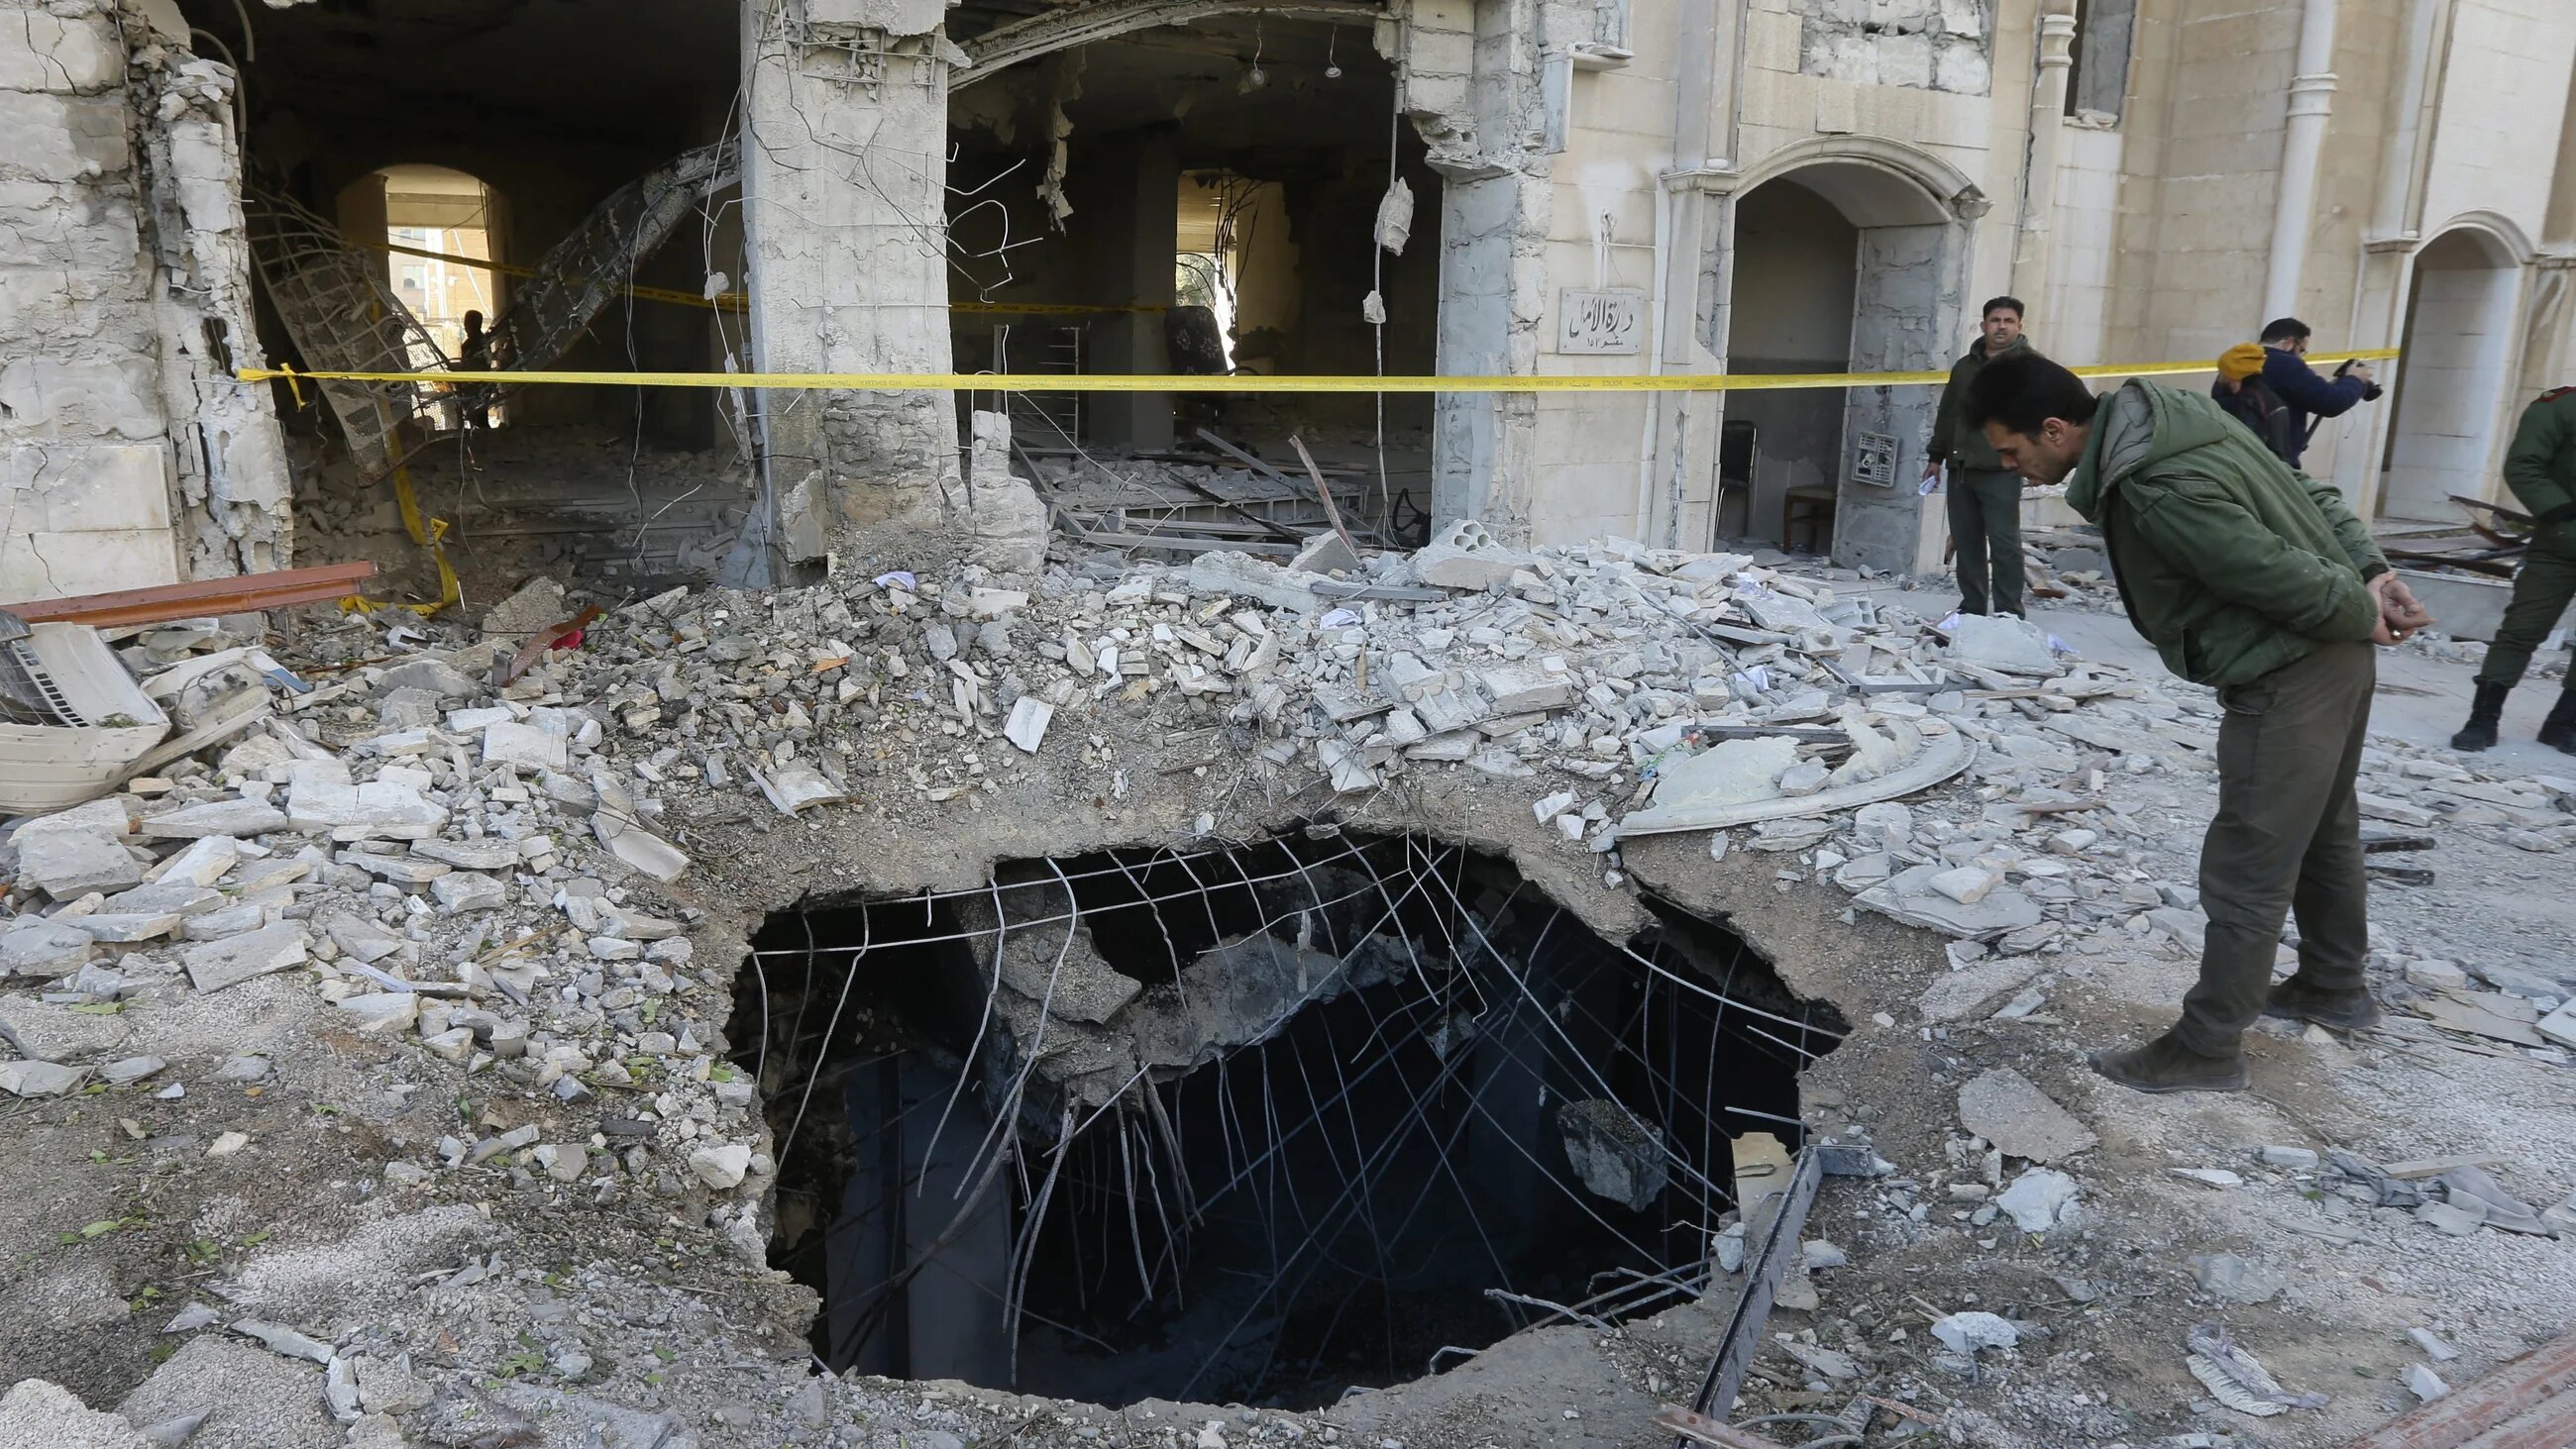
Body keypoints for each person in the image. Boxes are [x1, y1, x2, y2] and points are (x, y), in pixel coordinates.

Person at [1963, 355, 2432, 1095]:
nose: (2012, 468)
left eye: (2013, 451)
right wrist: (2372, 572)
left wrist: (2359, 607)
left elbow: (2265, 567)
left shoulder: (2153, 483)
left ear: (2054, 430)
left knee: (2249, 861)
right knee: (2323, 827)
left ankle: (2208, 1047)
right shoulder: (2177, 420)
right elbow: (2306, 491)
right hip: (2332, 658)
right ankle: (2332, 984)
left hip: (2289, 667)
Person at [2450, 385, 2576, 753]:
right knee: (2521, 630)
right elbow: (2524, 465)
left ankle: (2563, 724)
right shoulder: (2560, 406)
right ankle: (2483, 719)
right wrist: (2564, 516)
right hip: (2560, 542)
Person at [1925, 297, 2036, 618]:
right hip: (1961, 467)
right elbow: (1948, 413)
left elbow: (2041, 418)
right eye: (1995, 320)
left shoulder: (2030, 368)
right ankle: (1972, 609)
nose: (2001, 327)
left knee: (2004, 544)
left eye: (2009, 321)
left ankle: (2008, 613)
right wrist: (1936, 457)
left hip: (2003, 469)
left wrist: (2034, 462)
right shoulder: (1964, 368)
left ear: (2019, 326)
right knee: (1967, 543)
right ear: (1984, 325)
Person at [2209, 317, 2380, 469]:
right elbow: (2331, 402)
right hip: (2272, 463)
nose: (2300, 357)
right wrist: (2354, 379)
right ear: (2288, 343)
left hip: (2233, 455)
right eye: (2301, 350)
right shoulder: (2286, 364)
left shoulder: (2236, 366)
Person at [458, 310, 492, 431]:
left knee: (479, 418)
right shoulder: (476, 342)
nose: (465, 327)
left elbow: (476, 365)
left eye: (467, 323)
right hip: (474, 386)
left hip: (477, 387)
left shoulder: (477, 344)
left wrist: (460, 369)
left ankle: (484, 437)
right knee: (476, 418)